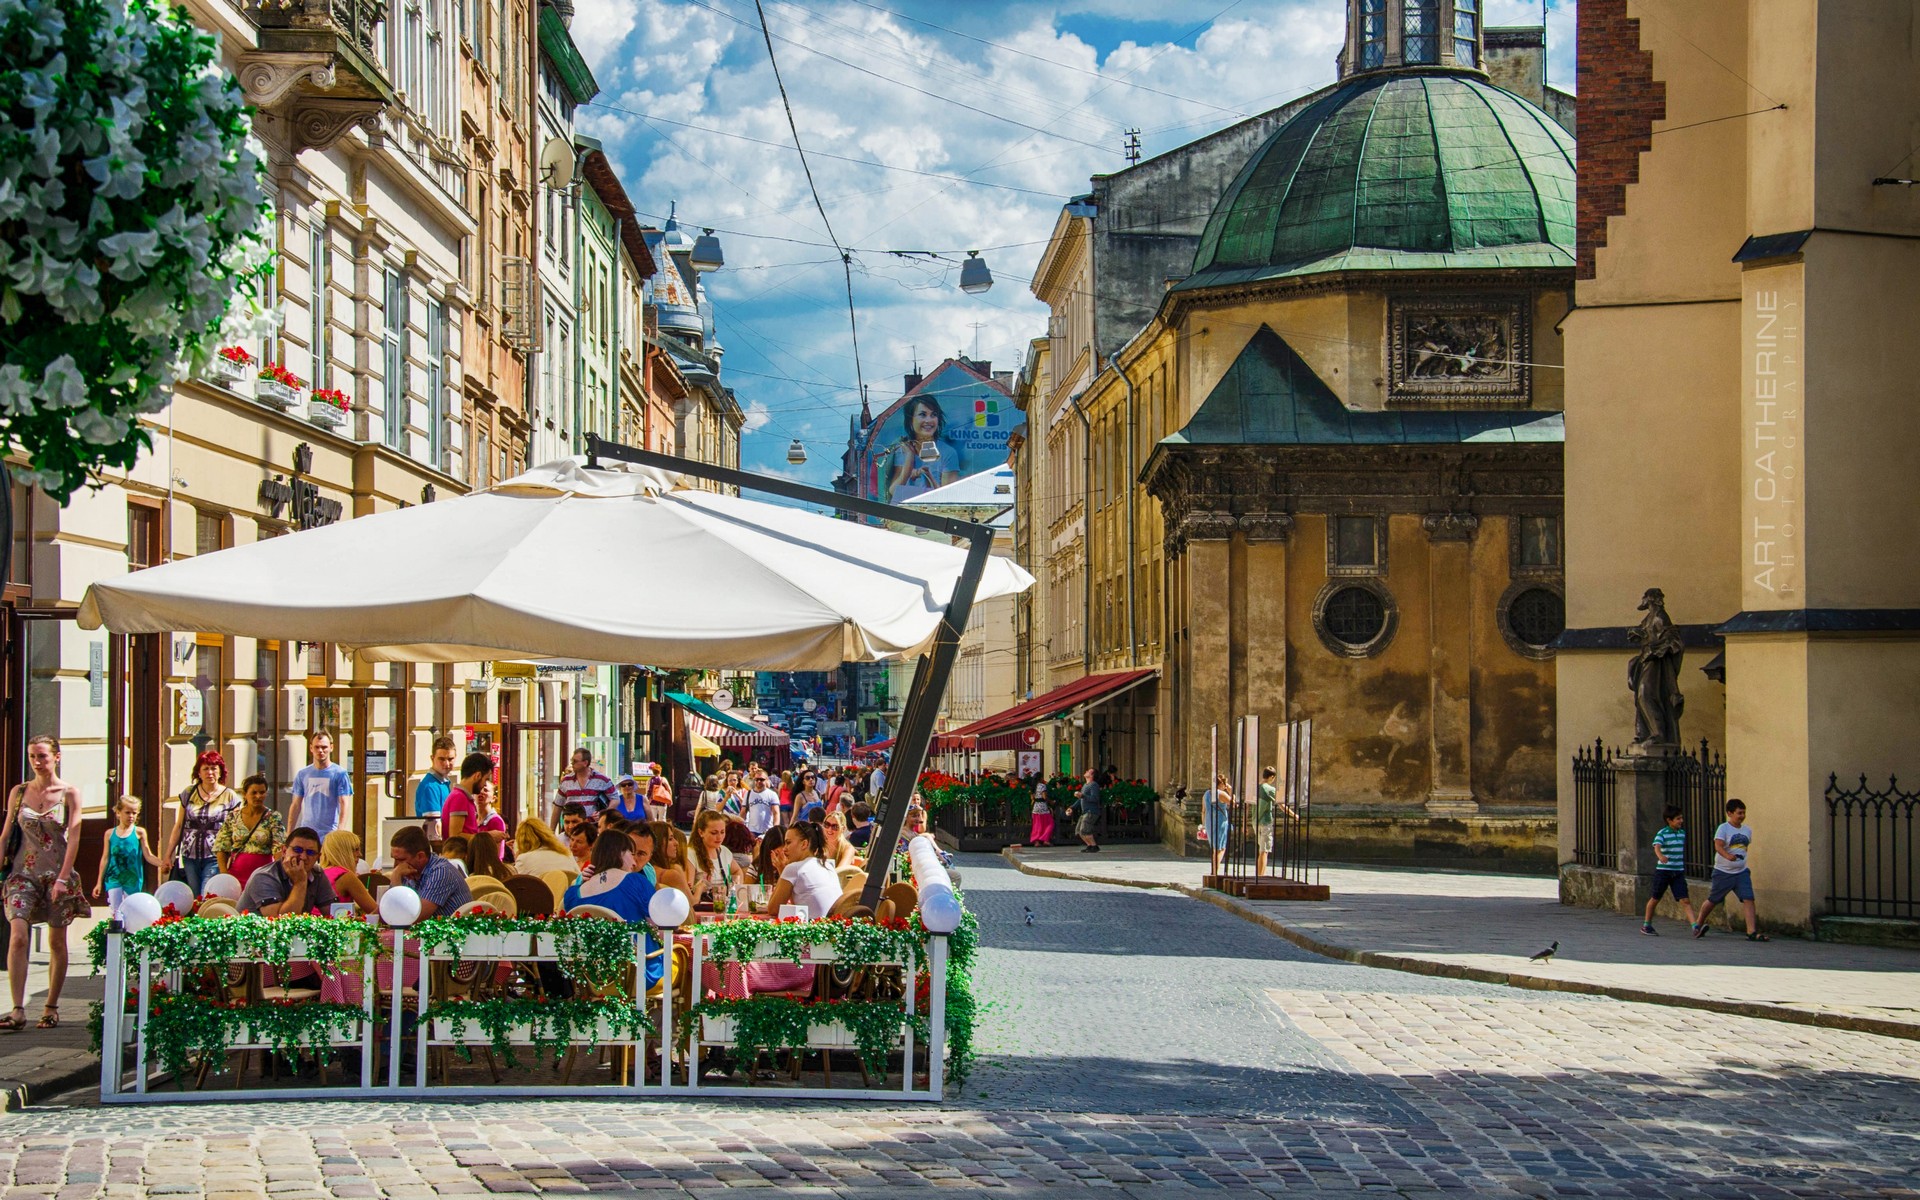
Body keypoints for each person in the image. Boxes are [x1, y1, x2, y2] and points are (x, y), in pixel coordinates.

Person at [1, 736, 87, 1031]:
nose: (37, 762)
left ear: (56, 757)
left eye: (42, 756)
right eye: (32, 757)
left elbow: (73, 837)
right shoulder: (19, 791)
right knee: (18, 936)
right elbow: (5, 835)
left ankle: (50, 1006)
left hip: (56, 875)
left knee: (55, 941)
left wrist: (64, 877)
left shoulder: (69, 794)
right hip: (21, 874)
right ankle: (17, 1009)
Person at [561, 834, 664, 989]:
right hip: (636, 972)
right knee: (686, 960)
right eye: (632, 853)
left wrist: (581, 881)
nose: (635, 861)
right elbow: (660, 926)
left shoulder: (574, 894)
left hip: (589, 976)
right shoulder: (635, 882)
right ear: (620, 852)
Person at [161, 750, 240, 897]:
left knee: (206, 893)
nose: (210, 773)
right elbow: (179, 825)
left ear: (221, 771)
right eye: (206, 769)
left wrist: (234, 855)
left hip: (216, 855)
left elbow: (236, 829)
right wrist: (168, 855)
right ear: (198, 772)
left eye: (214, 768)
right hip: (189, 855)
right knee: (194, 895)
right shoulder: (189, 793)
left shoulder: (230, 796)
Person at [1694, 798, 1767, 941]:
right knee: (1714, 899)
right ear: (1730, 813)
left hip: (1741, 872)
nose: (1742, 816)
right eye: (1739, 813)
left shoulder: (1747, 830)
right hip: (1723, 872)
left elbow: (1744, 848)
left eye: (1744, 813)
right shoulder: (1723, 828)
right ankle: (1698, 924)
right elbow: (1718, 846)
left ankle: (1751, 932)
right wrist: (1728, 856)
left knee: (1748, 898)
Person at [239, 827, 338, 917]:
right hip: (254, 934)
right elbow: (280, 922)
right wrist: (300, 882)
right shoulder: (263, 877)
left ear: (318, 857)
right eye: (297, 850)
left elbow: (334, 913)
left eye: (310, 852)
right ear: (284, 851)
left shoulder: (317, 873)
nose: (303, 857)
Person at [882, 395, 960, 503]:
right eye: (923, 415)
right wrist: (909, 460)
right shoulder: (902, 449)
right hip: (903, 515)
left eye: (933, 415)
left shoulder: (948, 453)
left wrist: (928, 476)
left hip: (932, 516)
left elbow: (947, 499)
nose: (929, 420)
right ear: (910, 420)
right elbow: (894, 491)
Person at [92, 796, 161, 918]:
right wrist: (99, 882)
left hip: (132, 878)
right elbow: (105, 858)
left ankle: (128, 935)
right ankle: (116, 935)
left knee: (131, 910)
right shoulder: (109, 834)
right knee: (116, 911)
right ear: (118, 813)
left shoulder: (139, 832)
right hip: (114, 877)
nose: (131, 816)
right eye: (127, 812)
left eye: (134, 813)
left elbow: (148, 855)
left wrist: (162, 863)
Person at [214, 773, 285, 887]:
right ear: (245, 794)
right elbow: (221, 846)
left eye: (262, 792)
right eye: (254, 793)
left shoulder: (273, 817)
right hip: (235, 877)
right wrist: (224, 876)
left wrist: (279, 875)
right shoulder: (233, 816)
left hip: (263, 876)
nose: (258, 796)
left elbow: (278, 848)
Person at [387, 825, 471, 919]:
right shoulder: (407, 872)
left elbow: (413, 917)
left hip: (453, 931)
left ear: (420, 856)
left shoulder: (441, 871)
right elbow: (386, 913)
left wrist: (395, 877)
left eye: (401, 860)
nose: (395, 866)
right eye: (394, 859)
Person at [765, 821, 842, 920]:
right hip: (833, 926)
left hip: (813, 930)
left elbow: (773, 909)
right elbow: (798, 903)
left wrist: (782, 868)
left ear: (804, 844)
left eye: (788, 843)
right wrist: (781, 869)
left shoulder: (794, 868)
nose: (784, 849)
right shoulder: (828, 865)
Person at [288, 732, 352, 844]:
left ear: (331, 747)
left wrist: (340, 831)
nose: (320, 750)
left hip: (330, 834)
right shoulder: (303, 774)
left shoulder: (340, 773)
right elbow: (296, 804)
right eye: (317, 747)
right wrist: (289, 833)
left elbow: (344, 803)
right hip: (307, 834)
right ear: (311, 748)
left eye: (324, 747)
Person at [1644, 805, 1696, 935]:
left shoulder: (1682, 833)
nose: (1681, 821)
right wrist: (1661, 856)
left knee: (1685, 899)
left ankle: (1695, 927)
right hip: (1663, 871)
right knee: (1655, 898)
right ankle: (1647, 925)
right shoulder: (1662, 833)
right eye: (1678, 819)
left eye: (1681, 818)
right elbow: (1657, 846)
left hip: (1678, 871)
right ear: (1669, 820)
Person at [319, 831, 379, 915]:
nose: (360, 854)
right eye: (355, 849)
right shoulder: (345, 876)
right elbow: (377, 913)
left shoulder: (320, 873)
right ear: (343, 852)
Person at [687, 810, 737, 910]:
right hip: (701, 909)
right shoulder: (690, 853)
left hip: (723, 907)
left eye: (722, 832)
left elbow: (737, 871)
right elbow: (688, 892)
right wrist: (700, 888)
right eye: (714, 833)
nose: (719, 837)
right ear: (701, 832)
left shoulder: (725, 851)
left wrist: (734, 887)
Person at [552, 748, 615, 824]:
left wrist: (603, 813)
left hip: (592, 826)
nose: (572, 763)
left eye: (575, 761)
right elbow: (558, 806)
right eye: (572, 760)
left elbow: (615, 799)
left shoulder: (602, 780)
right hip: (571, 826)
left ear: (585, 763)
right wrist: (551, 830)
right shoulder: (566, 781)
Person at [414, 735, 457, 841]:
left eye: (450, 759)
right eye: (441, 759)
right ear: (432, 758)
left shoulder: (443, 783)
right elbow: (434, 828)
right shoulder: (430, 786)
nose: (446, 763)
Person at [440, 752, 492, 841]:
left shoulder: (462, 796)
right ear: (477, 775)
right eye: (486, 779)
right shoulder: (459, 797)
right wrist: (487, 838)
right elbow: (455, 836)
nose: (485, 785)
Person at [511, 817, 578, 878]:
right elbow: (579, 878)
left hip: (539, 891)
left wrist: (517, 859)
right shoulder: (567, 854)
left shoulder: (524, 859)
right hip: (569, 890)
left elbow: (514, 885)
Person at [1201, 774, 1235, 874]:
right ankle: (1214, 871)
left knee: (1215, 847)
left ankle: (1214, 870)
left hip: (1209, 822)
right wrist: (1230, 791)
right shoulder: (1221, 794)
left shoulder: (1206, 793)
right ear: (1222, 784)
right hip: (1220, 822)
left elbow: (1203, 810)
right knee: (1220, 848)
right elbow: (1234, 803)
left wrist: (1203, 825)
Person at [1073, 766, 1103, 854]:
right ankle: (1089, 845)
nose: (1086, 771)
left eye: (1089, 771)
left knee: (1085, 830)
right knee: (1079, 830)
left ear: (1092, 775)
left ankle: (1094, 846)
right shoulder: (1085, 785)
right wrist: (1072, 807)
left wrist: (1082, 796)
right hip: (1085, 811)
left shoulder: (1093, 785)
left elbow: (1095, 798)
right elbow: (1080, 799)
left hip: (1091, 811)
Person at [743, 769, 781, 836]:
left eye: (761, 779)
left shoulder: (772, 794)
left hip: (767, 831)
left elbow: (776, 813)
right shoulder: (748, 794)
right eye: (756, 779)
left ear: (766, 780)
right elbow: (743, 812)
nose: (759, 781)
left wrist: (775, 829)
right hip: (751, 831)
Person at [1028, 775, 1053, 847]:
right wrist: (1051, 802)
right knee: (1049, 823)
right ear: (1040, 778)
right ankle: (1045, 840)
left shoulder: (1033, 787)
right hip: (1043, 807)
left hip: (1035, 807)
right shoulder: (1042, 786)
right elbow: (1044, 797)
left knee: (1037, 825)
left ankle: (1036, 841)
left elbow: (1032, 798)